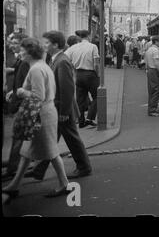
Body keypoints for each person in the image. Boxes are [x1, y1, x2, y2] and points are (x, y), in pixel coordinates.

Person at [2, 38, 70, 198]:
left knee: (51, 151)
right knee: (27, 152)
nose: (20, 52)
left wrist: (21, 92)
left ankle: (64, 184)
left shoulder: (36, 70)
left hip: (41, 114)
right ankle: (15, 185)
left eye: (22, 50)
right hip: (45, 112)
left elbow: (39, 96)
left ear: (30, 52)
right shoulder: (41, 66)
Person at [24, 31, 92, 181]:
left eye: (47, 43)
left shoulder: (62, 61)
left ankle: (84, 167)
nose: (44, 45)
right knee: (50, 139)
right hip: (58, 108)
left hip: (62, 109)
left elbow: (67, 89)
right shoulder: (55, 59)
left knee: (72, 139)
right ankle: (39, 170)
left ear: (55, 45)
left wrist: (65, 112)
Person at [2, 33, 30, 182]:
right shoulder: (21, 59)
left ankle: (13, 170)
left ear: (22, 44)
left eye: (13, 42)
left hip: (22, 105)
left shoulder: (25, 61)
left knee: (18, 138)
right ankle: (16, 169)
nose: (10, 44)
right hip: (19, 103)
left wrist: (17, 95)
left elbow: (26, 83)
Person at [65, 29, 100, 128]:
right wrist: (98, 75)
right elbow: (96, 63)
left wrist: (73, 67)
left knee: (80, 99)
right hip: (90, 74)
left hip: (79, 75)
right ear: (88, 36)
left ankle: (81, 122)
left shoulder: (74, 47)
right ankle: (90, 118)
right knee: (98, 96)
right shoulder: (93, 46)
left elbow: (65, 57)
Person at [144, 36, 159, 117]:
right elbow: (156, 63)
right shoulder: (155, 50)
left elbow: (146, 61)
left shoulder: (149, 49)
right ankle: (152, 110)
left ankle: (151, 108)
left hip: (149, 70)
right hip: (154, 70)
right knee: (156, 90)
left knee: (151, 90)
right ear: (156, 41)